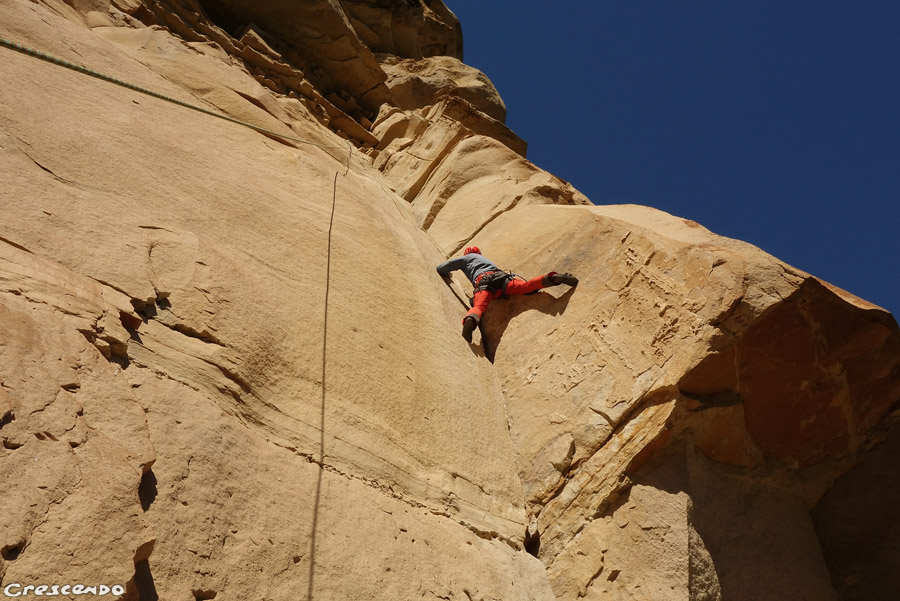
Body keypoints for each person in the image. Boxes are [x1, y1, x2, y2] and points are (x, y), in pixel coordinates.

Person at [436, 246, 578, 342]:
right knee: (526, 286)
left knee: (479, 305)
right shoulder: (485, 259)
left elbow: (442, 268)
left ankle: (470, 321)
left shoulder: (466, 259)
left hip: (484, 282)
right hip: (501, 278)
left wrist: (447, 273)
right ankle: (552, 278)